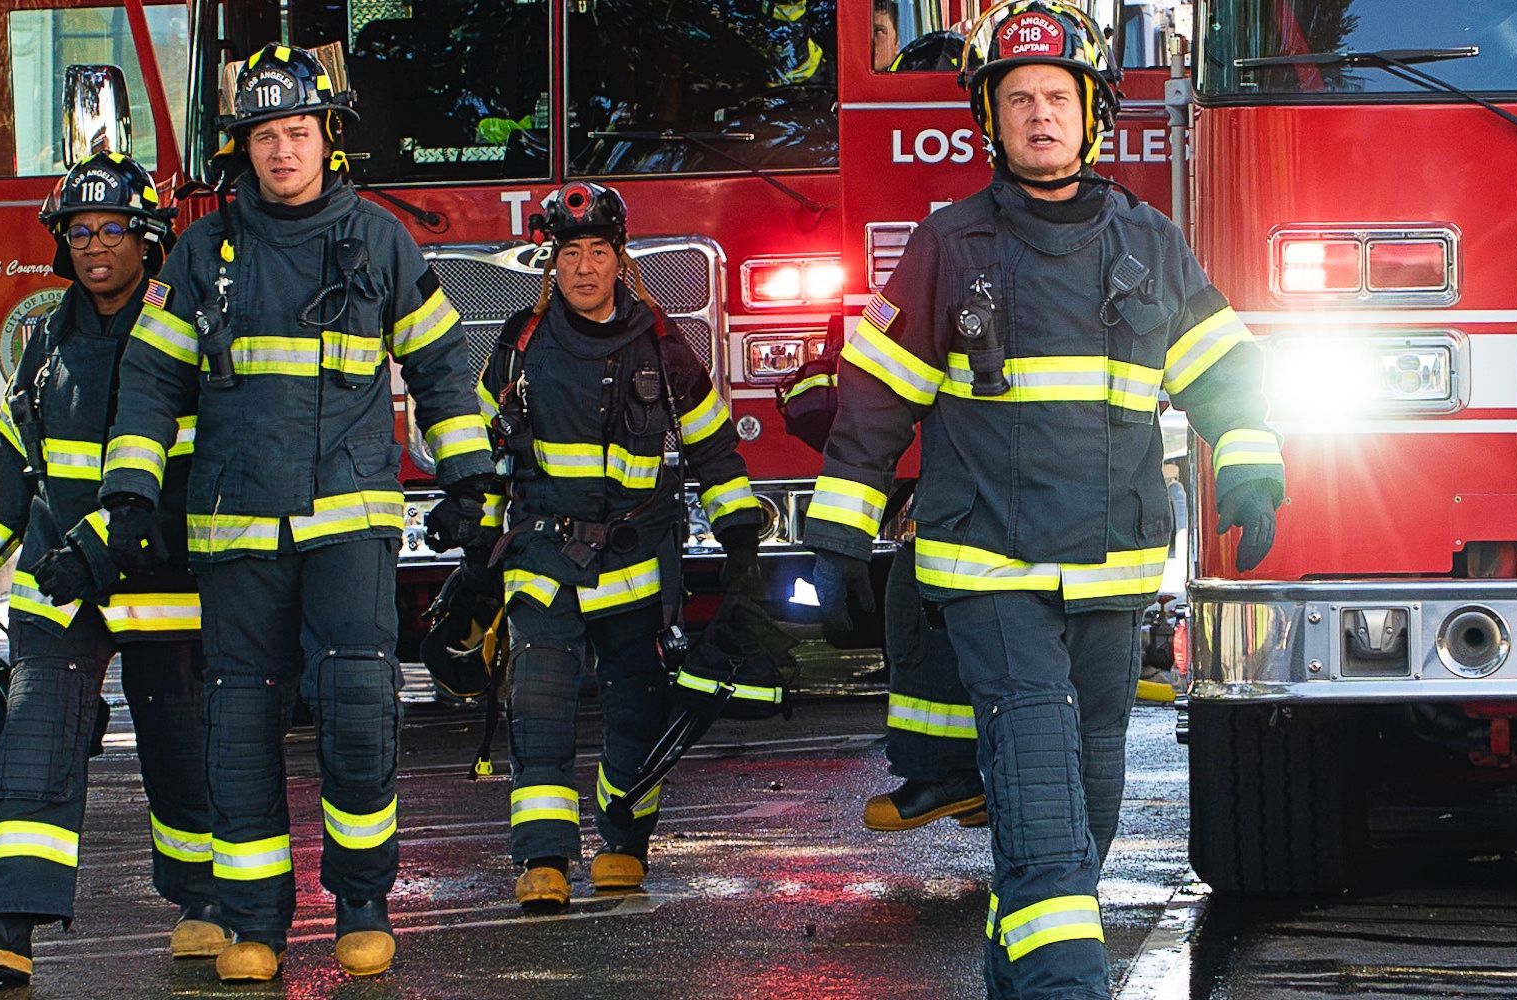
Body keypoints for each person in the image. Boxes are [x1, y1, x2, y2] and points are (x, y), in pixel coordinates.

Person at [802, 3, 1284, 996]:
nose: (1036, 116)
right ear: (989, 119)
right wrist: (837, 536)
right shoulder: (946, 246)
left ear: (1091, 113)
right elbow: (873, 400)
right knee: (1042, 805)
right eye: (1016, 99)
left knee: (1089, 809)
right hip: (990, 571)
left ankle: (1008, 971)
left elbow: (1225, 373)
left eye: (1054, 98)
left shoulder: (1147, 245)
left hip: (1109, 575)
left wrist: (1248, 463)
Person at [98, 44, 488, 983]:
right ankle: (255, 924)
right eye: (266, 135)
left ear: (328, 140)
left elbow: (439, 367)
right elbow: (150, 379)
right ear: (246, 149)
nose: (282, 151)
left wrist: (469, 478)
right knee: (238, 722)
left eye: (297, 133)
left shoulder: (382, 242)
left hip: (350, 522)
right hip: (236, 527)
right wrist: (131, 491)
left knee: (359, 708)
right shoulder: (201, 253)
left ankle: (362, 902)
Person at [0, 153, 220, 984]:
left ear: (147, 239)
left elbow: (200, 472)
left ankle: (206, 904)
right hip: (57, 588)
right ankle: (6, 927)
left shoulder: (182, 334)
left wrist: (104, 547)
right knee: (35, 744)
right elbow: (20, 464)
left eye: (112, 230)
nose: (95, 247)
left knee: (180, 752)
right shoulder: (47, 336)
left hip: (163, 586)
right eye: (80, 231)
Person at [465, 181, 763, 909]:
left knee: (639, 710)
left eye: (599, 251)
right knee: (539, 707)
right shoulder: (518, 346)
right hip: (542, 562)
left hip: (635, 567)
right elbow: (479, 451)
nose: (585, 268)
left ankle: (624, 841)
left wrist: (742, 540)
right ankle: (544, 860)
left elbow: (714, 451)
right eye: (571, 254)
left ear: (622, 260)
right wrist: (474, 544)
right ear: (552, 263)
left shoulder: (664, 346)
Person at [775, 337, 987, 832]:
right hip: (1020, 485)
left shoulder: (952, 261)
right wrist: (840, 537)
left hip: (1006, 491)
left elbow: (878, 394)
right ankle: (959, 776)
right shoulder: (964, 265)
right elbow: (877, 389)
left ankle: (960, 777)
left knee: (933, 602)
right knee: (924, 597)